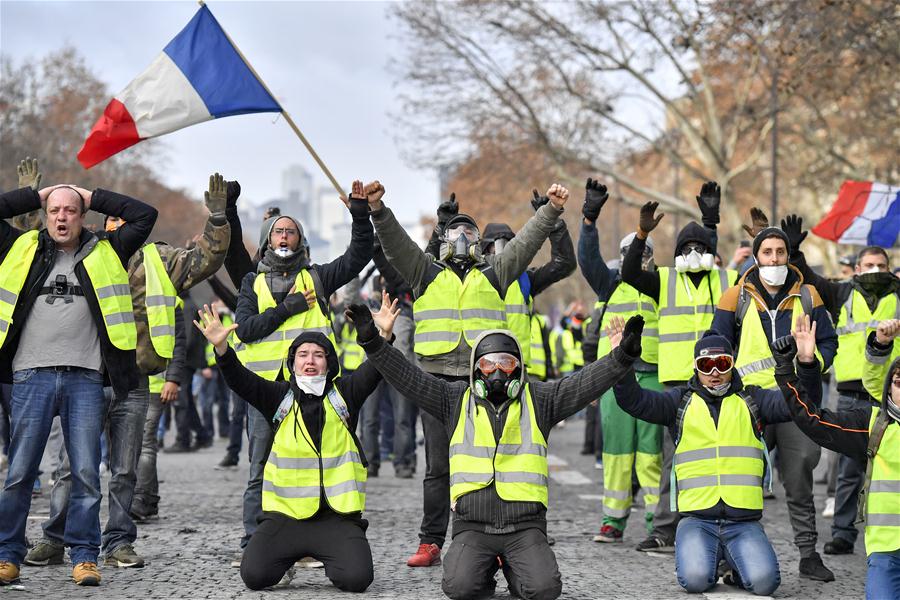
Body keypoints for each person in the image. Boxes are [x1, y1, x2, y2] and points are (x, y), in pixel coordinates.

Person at [348, 295, 644, 599]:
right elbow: (408, 377)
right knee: (459, 588)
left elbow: (583, 384)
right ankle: (486, 566)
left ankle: (514, 567)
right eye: (488, 364)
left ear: (519, 367)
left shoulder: (540, 400)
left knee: (544, 590)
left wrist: (623, 355)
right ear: (476, 369)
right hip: (473, 527)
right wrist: (372, 340)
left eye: (506, 363)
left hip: (524, 527)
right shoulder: (454, 400)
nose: (498, 372)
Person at [26, 173, 230, 569]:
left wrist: (218, 220)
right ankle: (55, 538)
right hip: (85, 375)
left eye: (124, 219)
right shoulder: (83, 253)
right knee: (69, 468)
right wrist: (31, 207)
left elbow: (206, 258)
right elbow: (30, 249)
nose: (118, 225)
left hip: (134, 380)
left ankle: (118, 540)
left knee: (124, 469)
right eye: (112, 219)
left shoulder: (159, 260)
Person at [365, 179, 568, 567]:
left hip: (484, 383)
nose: (462, 238)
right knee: (438, 467)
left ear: (480, 242)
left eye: (470, 232)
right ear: (443, 239)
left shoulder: (496, 272)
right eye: (455, 231)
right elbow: (396, 243)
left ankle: (494, 539)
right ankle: (430, 541)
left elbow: (526, 242)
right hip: (436, 381)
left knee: (492, 461)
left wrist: (551, 210)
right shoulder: (424, 271)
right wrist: (378, 210)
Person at [0, 160, 157, 586]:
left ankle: (85, 556)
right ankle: (7, 554)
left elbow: (145, 215)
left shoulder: (108, 249)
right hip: (30, 376)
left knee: (87, 473)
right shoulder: (21, 247)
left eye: (70, 210)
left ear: (83, 216)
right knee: (19, 473)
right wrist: (36, 194)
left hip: (85, 378)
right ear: (45, 215)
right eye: (54, 211)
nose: (61, 217)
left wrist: (89, 194)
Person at [609, 314, 824, 596]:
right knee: (696, 580)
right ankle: (712, 559)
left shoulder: (753, 399)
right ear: (695, 367)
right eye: (705, 364)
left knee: (765, 584)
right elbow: (633, 401)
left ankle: (732, 562)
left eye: (722, 363)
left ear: (732, 363)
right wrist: (622, 360)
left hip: (743, 523)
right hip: (697, 522)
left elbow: (802, 406)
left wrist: (806, 363)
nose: (714, 372)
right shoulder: (679, 401)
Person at [195, 296, 399, 592]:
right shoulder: (279, 397)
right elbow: (240, 380)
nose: (310, 361)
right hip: (285, 519)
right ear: (293, 363)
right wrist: (222, 349)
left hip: (335, 518)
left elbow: (375, 369)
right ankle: (288, 558)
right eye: (303, 355)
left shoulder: (345, 394)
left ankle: (331, 557)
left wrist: (384, 336)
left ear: (329, 363)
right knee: (254, 576)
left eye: (318, 355)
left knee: (356, 580)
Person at [229, 180, 374, 561]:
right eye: (278, 230)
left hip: (314, 391)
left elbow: (358, 255)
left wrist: (360, 216)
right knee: (260, 465)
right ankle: (255, 539)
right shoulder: (252, 282)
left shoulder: (318, 278)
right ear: (267, 239)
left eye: (291, 231)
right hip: (267, 391)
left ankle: (314, 534)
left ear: (300, 241)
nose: (284, 236)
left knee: (315, 463)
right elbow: (245, 329)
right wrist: (289, 307)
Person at [708, 223, 838, 581]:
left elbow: (829, 343)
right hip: (750, 402)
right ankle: (729, 556)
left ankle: (808, 555)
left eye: (781, 252)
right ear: (756, 257)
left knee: (800, 478)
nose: (775, 258)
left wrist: (811, 360)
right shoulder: (735, 297)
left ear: (788, 255)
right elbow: (717, 344)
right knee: (742, 479)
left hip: (797, 400)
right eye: (767, 252)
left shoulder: (809, 295)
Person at [620, 181, 737, 552]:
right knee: (673, 459)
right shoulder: (664, 280)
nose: (693, 253)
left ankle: (723, 523)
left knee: (722, 455)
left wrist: (711, 223)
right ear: (676, 254)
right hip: (679, 386)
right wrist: (641, 236)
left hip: (721, 380)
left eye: (699, 248)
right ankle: (665, 528)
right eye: (686, 248)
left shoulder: (727, 280)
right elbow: (629, 274)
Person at [784, 215, 900, 556]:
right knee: (849, 469)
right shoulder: (842, 292)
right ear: (857, 268)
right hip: (851, 392)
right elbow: (810, 280)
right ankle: (843, 533)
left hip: (892, 395)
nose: (874, 270)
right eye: (868, 265)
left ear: (889, 268)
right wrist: (795, 252)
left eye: (880, 265)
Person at [780, 318, 900, 599]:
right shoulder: (873, 425)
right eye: (899, 382)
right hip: (887, 551)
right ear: (889, 388)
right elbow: (813, 421)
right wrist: (791, 368)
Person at [579, 179, 664, 543]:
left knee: (651, 455)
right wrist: (588, 220)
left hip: (653, 377)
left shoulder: (662, 284)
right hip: (614, 379)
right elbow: (588, 260)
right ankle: (613, 520)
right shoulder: (609, 284)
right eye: (630, 252)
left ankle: (656, 522)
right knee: (616, 453)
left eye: (643, 252)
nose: (638, 258)